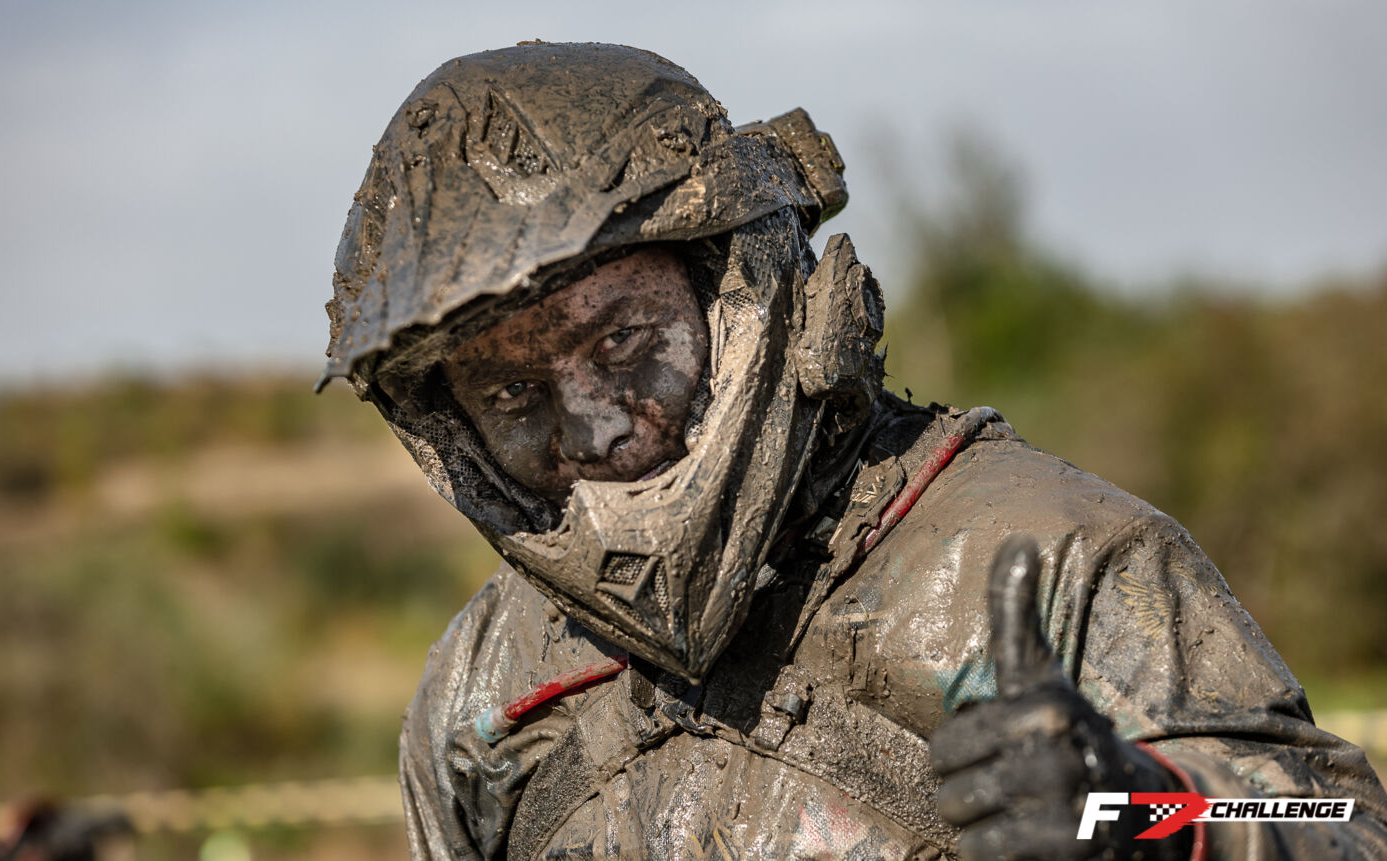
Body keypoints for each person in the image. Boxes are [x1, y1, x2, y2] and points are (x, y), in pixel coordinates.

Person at [318, 42, 1387, 860]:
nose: (596, 426)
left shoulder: (1049, 554)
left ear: (729, 287)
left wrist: (1136, 809)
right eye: (513, 395)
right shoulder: (480, 685)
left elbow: (1340, 820)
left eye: (624, 340)